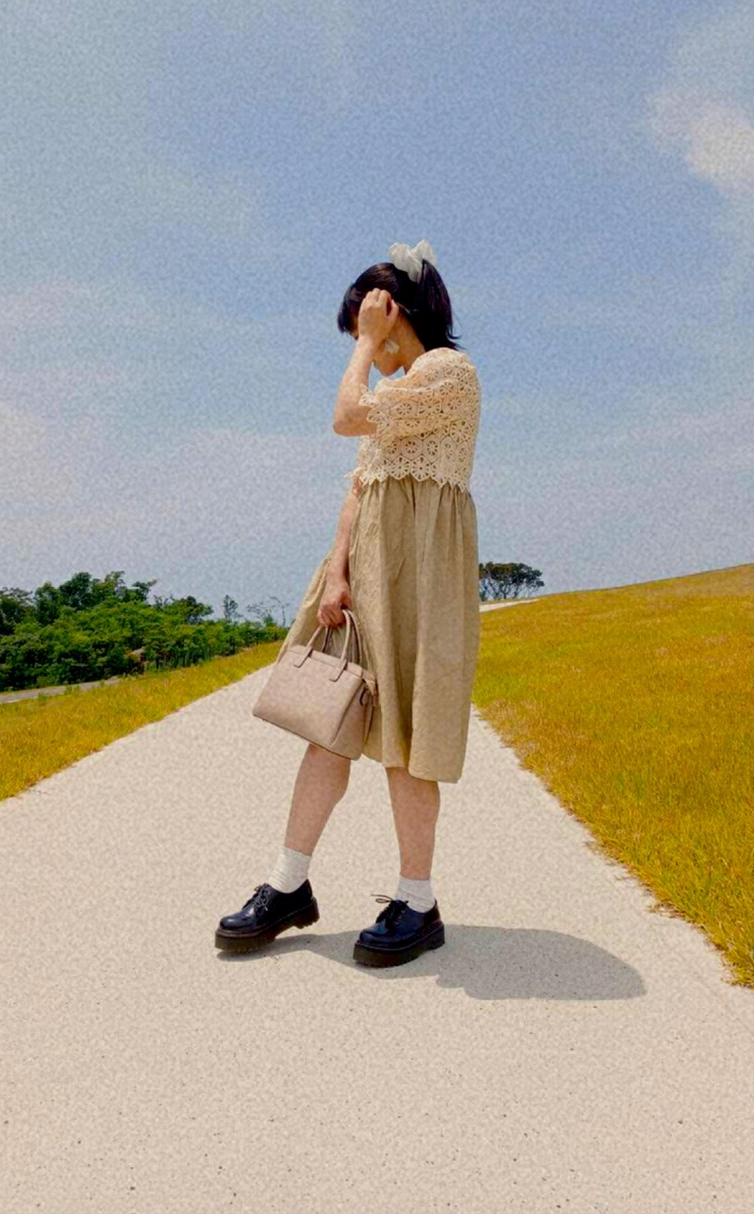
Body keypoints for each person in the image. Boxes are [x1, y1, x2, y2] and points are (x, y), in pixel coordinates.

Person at [215, 240, 482, 968]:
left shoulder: (448, 374)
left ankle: (418, 901)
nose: (363, 344)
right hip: (364, 576)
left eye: (366, 327)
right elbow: (359, 487)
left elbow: (345, 415)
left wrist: (365, 344)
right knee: (328, 726)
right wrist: (337, 574)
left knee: (406, 741)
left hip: (420, 578)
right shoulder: (401, 392)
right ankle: (287, 885)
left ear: (394, 315)